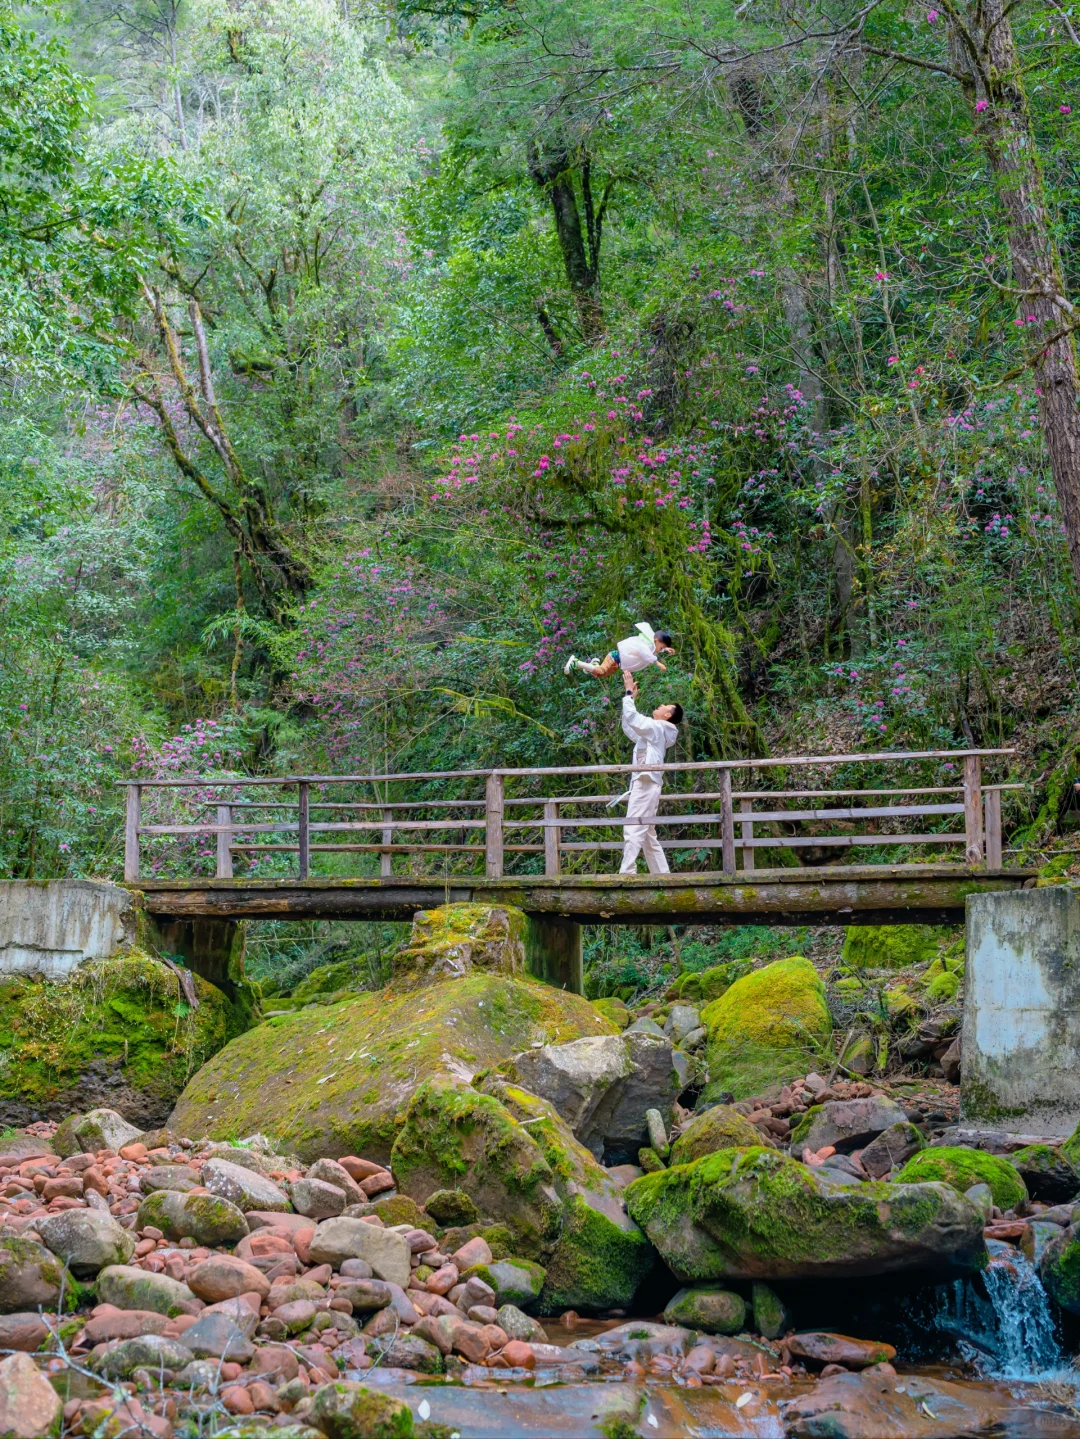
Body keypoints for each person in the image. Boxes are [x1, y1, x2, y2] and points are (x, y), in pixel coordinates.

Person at [616, 675, 683, 875]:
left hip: (645, 782)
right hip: (647, 782)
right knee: (647, 834)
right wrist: (630, 700)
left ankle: (627, 873)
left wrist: (628, 693)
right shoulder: (655, 733)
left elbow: (636, 720)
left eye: (665, 706)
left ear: (668, 715)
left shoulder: (657, 728)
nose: (661, 705)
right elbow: (631, 727)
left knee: (633, 826)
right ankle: (662, 875)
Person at [564, 622, 675, 696]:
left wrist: (665, 650)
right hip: (616, 658)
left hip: (618, 662)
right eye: (662, 647)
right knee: (601, 671)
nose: (660, 650)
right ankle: (576, 662)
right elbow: (646, 653)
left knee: (602, 674)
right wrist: (658, 663)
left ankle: (592, 665)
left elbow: (653, 650)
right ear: (655, 640)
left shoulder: (651, 645)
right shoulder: (645, 645)